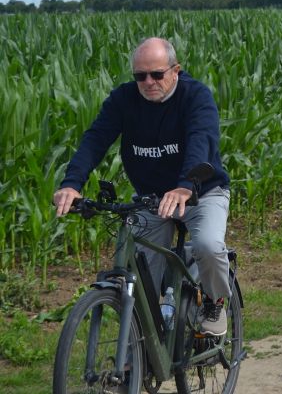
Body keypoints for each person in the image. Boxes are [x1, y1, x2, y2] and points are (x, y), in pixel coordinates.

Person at [53, 37, 231, 336]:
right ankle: (142, 343)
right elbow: (95, 139)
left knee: (208, 246)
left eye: (157, 74)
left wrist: (186, 185)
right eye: (140, 76)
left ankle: (215, 302)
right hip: (151, 199)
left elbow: (201, 140)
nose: (148, 82)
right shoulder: (124, 99)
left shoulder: (195, 96)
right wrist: (72, 184)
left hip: (201, 192)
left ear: (175, 70)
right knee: (137, 272)